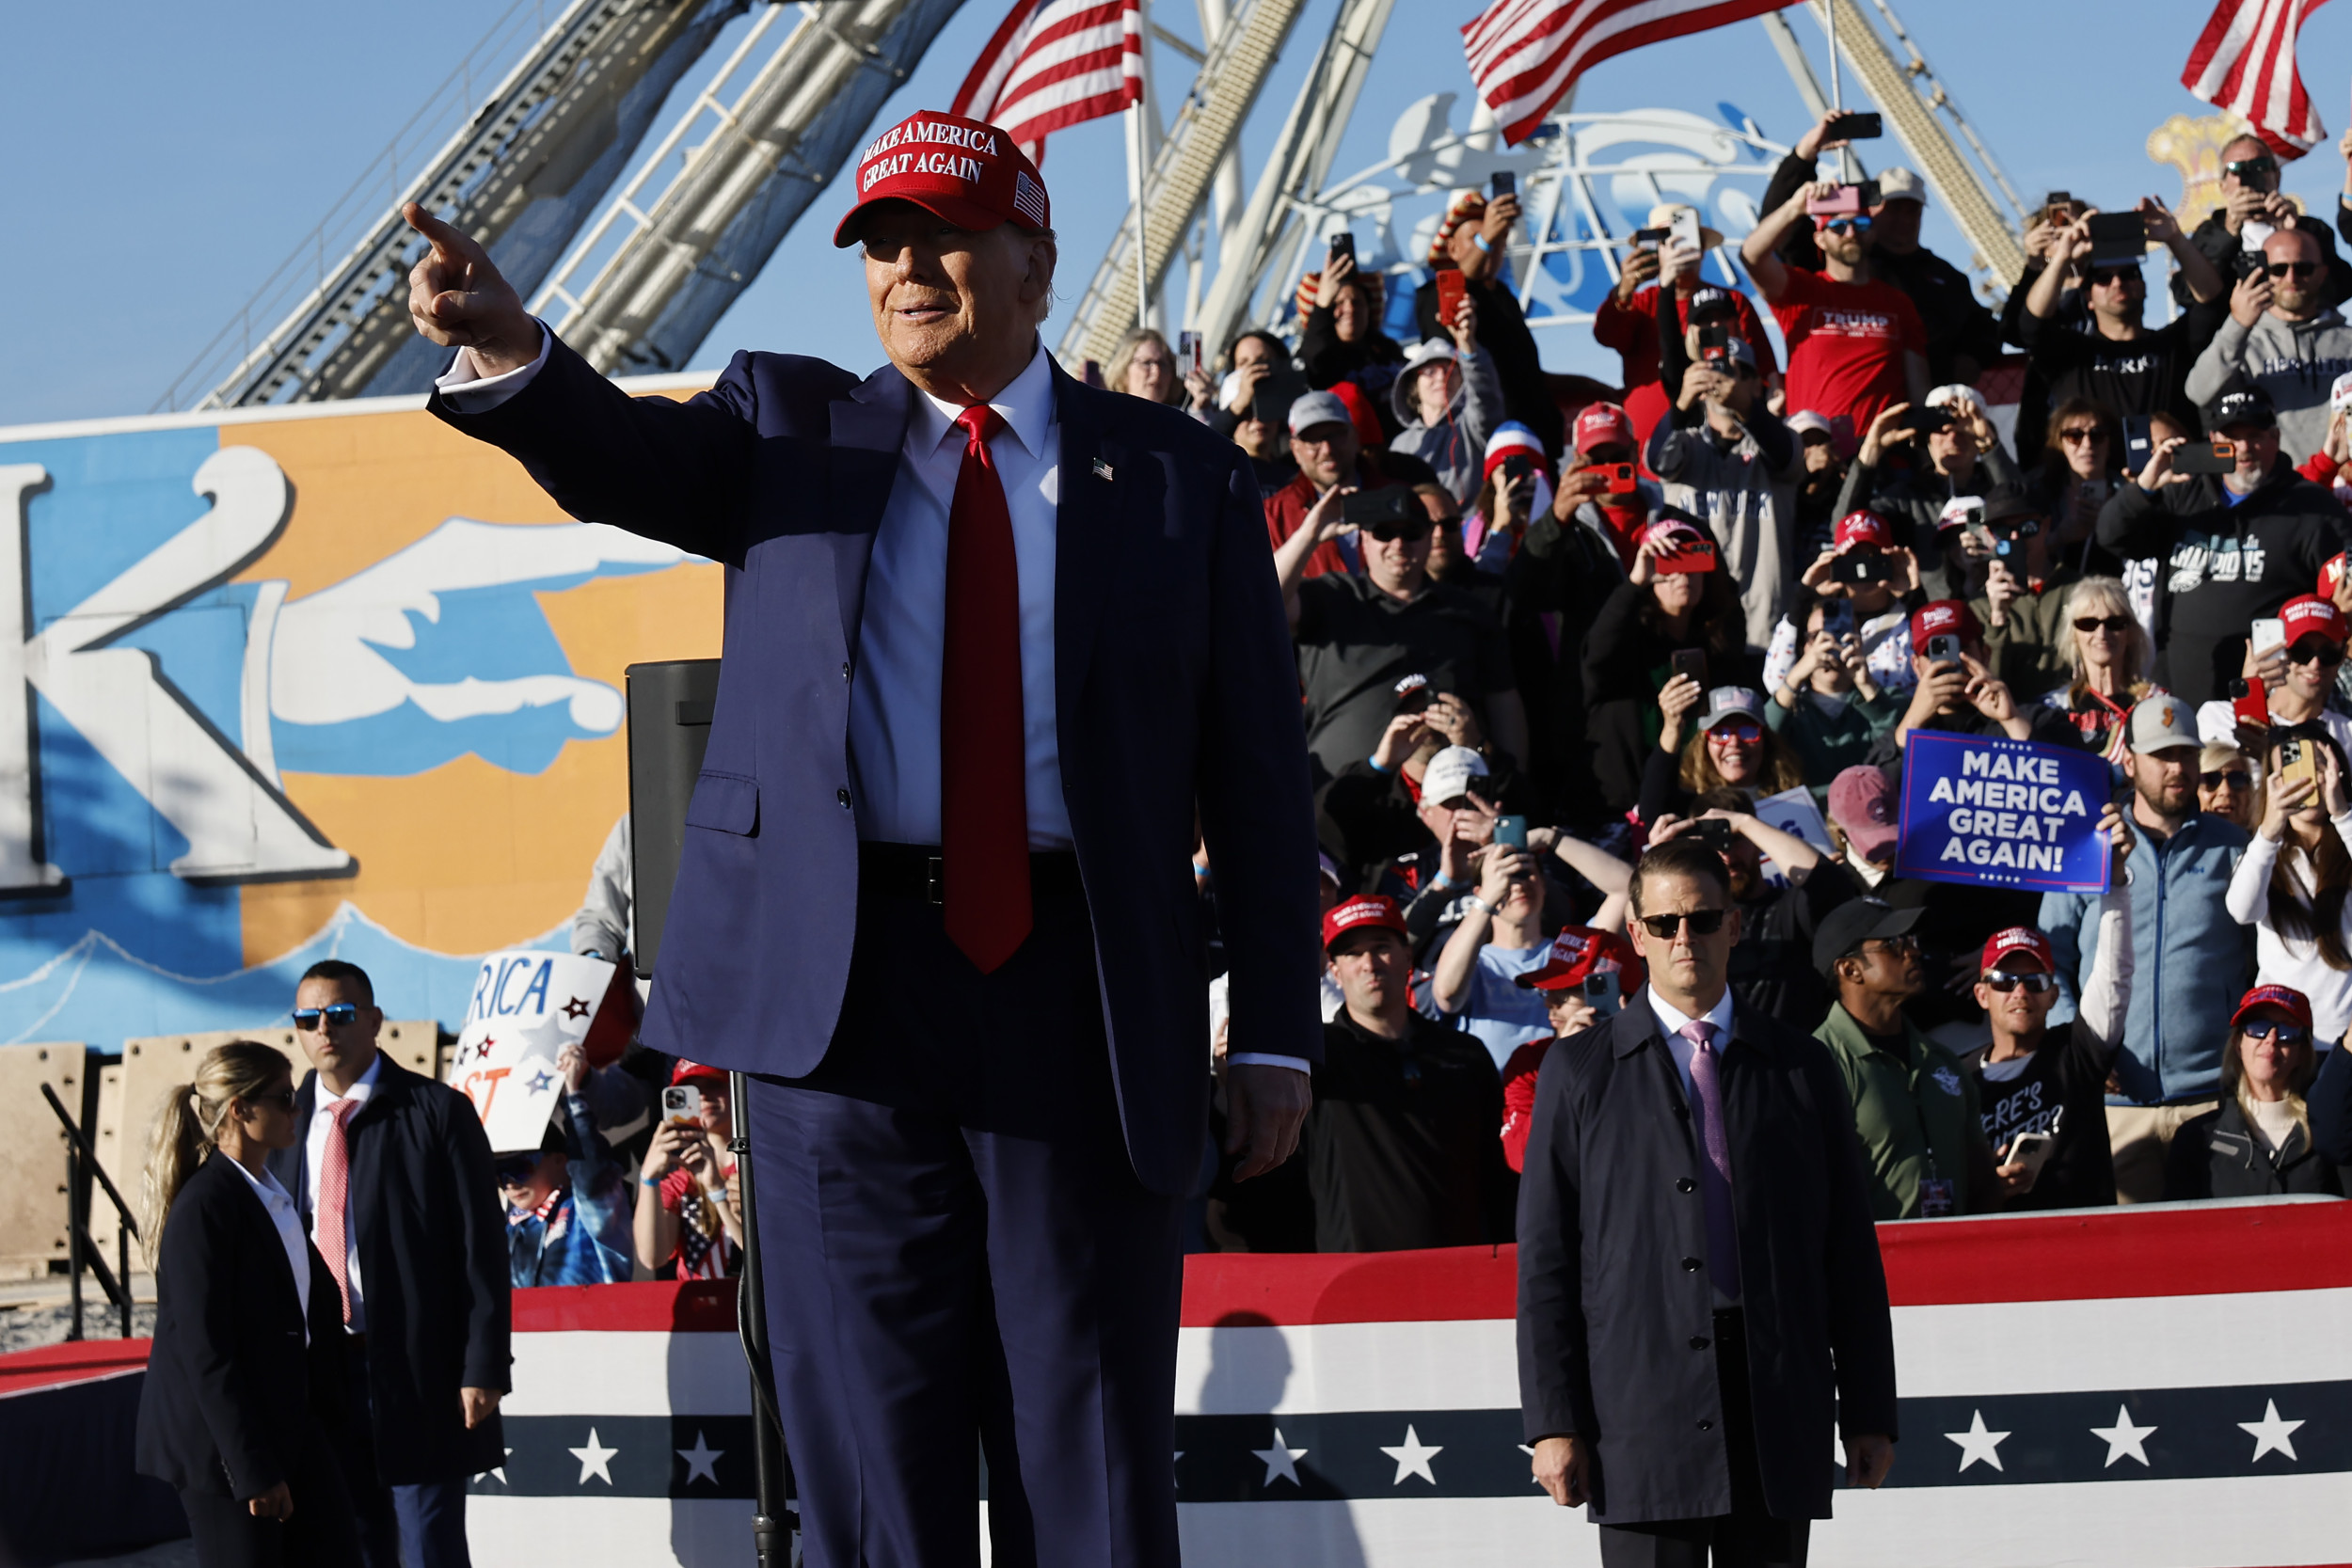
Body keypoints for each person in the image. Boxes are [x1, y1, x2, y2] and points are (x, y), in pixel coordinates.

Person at [405, 109, 1323, 1567]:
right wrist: (516, 352)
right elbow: (618, 461)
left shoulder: (1174, 476)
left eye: (942, 236)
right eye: (881, 243)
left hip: (1078, 994)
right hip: (838, 1008)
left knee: (1083, 1452)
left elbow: (1264, 782)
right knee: (865, 1470)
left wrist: (1275, 1029)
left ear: (1035, 257)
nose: (906, 267)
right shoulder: (788, 428)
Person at [1518, 837, 1898, 1560]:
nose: (1683, 937)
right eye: (1664, 923)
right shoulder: (1579, 1071)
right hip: (1639, 1407)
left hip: (1778, 1397)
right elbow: (1546, 1260)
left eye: (1700, 917)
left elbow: (1848, 1246)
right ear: (1637, 934)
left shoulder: (1802, 1063)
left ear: (1735, 923)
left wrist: (1871, 1410)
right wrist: (1552, 1422)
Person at [263, 960, 506, 1568]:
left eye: (340, 1014)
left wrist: (482, 1364)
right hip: (323, 1371)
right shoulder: (281, 1124)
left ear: (373, 1020)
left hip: (418, 1364)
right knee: (352, 1540)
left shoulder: (436, 1110)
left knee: (428, 1542)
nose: (325, 1028)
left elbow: (481, 1247)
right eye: (308, 1016)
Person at [136, 1041, 360, 1568]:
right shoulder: (205, 1205)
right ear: (240, 1108)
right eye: (284, 1098)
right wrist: (251, 1468)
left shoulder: (269, 1193)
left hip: (287, 1422)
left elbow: (306, 1316)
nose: (296, 1110)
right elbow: (205, 1352)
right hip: (224, 1445)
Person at [2040, 696, 2249, 1203]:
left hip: (2210, 1102)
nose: (2176, 768)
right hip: (2114, 1107)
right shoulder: (2088, 845)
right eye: (2161, 755)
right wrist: (2078, 1047)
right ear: (2129, 761)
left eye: (2185, 753)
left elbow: (2264, 961)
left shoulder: (2233, 848)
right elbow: (2051, 957)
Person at [2097, 384, 2352, 706]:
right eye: (2232, 436)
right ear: (2214, 440)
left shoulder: (2311, 506)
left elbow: (2340, 585)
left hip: (2269, 696)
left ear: (2275, 438)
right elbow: (2111, 535)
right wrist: (2145, 485)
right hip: (2180, 693)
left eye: (2256, 435)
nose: (2244, 447)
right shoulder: (2181, 493)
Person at [1295, 895, 1517, 1249]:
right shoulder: (1313, 1059)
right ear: (1333, 971)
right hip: (1350, 1280)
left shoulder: (1465, 1054)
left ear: (1408, 957)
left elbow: (1498, 1174)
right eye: (1352, 953)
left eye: (1381, 947)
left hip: (1461, 1273)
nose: (1369, 964)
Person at [1279, 476, 1528, 783]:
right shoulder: (1331, 596)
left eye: (1411, 533)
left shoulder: (1469, 611)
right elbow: (1261, 602)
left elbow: (1504, 704)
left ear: (1428, 539)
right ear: (1364, 540)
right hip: (1339, 803)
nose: (1398, 544)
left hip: (1446, 802)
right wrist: (1311, 532)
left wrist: (1514, 783)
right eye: (1384, 533)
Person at [1970, 816, 2137, 1213]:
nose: (2021, 992)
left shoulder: (2076, 1054)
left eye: (2036, 982)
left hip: (2084, 1243)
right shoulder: (1958, 1079)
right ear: (1981, 994)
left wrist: (2115, 885)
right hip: (1999, 1246)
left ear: (2053, 995)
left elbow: (2114, 978)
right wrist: (1986, 1185)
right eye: (2005, 980)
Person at [1811, 898, 2004, 1217]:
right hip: (1869, 1262)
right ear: (1850, 969)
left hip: (1952, 1258)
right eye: (1892, 943)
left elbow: (1985, 1186)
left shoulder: (1943, 1062)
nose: (1912, 951)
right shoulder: (1817, 1065)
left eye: (1910, 940)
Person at [1581, 521, 1756, 816]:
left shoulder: (1720, 645)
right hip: (1625, 807)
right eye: (1669, 562)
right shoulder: (1625, 643)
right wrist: (1635, 582)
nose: (1682, 573)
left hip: (1701, 799)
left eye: (1692, 559)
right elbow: (1596, 656)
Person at [1740, 176, 1930, 436]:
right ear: (1819, 239)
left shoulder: (1897, 303)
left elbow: (1918, 387)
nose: (1850, 233)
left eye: (1860, 224)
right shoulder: (1801, 290)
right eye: (1838, 227)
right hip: (1816, 452)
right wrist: (1795, 207)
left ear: (1872, 232)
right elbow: (1751, 256)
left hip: (1884, 457)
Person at [2018, 200, 2226, 436]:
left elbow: (2212, 302)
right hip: (2097, 471)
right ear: (2088, 296)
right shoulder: (2071, 354)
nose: (2117, 283)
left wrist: (2175, 238)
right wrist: (2063, 257)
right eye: (2104, 279)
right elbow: (2032, 323)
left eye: (2129, 275)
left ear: (2144, 285)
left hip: (2172, 469)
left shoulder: (2175, 343)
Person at [1647, 332, 1800, 651]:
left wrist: (1746, 406)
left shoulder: (1780, 442)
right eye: (1714, 370)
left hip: (1766, 634)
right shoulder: (1684, 443)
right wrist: (1682, 402)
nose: (1725, 378)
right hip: (1695, 631)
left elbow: (1785, 454)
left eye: (1739, 371)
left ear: (1758, 385)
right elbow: (1656, 461)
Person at [1656, 789, 1854, 1032]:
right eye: (1715, 844)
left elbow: (1831, 884)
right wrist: (1661, 858)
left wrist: (1745, 823)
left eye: (1736, 839)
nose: (1727, 856)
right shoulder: (1692, 925)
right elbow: (1642, 920)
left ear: (1757, 841)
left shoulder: (1791, 908)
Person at [1592, 215, 1779, 445]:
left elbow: (1764, 371)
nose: (1679, 247)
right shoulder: (1638, 304)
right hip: (1650, 449)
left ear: (1702, 250)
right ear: (1654, 250)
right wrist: (1623, 291)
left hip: (1728, 446)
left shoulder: (1731, 302)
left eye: (1689, 239)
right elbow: (1606, 335)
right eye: (1668, 240)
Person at [1411, 188, 1565, 455]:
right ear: (1452, 248)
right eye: (1477, 237)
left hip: (1536, 444)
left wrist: (1587, 386)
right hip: (1482, 451)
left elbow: (1524, 373)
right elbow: (1460, 287)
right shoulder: (1433, 296)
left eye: (1499, 238)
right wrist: (1487, 238)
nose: (1491, 244)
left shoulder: (1504, 298)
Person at [2229, 727, 2352, 1047]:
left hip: (2347, 1041)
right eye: (2294, 770)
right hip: (2282, 1042)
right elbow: (2242, 911)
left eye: (2318, 767)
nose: (2307, 781)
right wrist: (2270, 831)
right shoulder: (2263, 854)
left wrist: (2342, 813)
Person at [2186, 228, 2352, 463]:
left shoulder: (2348, 341)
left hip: (2343, 490)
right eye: (2279, 269)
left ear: (2322, 273)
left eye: (2303, 268)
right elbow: (2198, 392)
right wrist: (2238, 323)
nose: (2291, 278)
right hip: (2276, 490)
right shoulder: (2243, 342)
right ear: (2263, 274)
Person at [2164, 983, 2345, 1198]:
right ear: (2238, 1044)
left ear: (2303, 1052)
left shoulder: (2330, 1134)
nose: (2271, 1039)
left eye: (2288, 1030)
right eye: (2257, 1028)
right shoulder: (2197, 1137)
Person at [1834, 394, 2019, 602]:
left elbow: (2029, 513)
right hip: (1930, 616)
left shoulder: (2000, 486)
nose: (1952, 437)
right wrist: (1871, 451)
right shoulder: (1907, 497)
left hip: (2004, 604)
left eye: (1963, 428)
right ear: (1925, 437)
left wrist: (1989, 445)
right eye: (1940, 428)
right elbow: (1844, 532)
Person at [1497, 927, 1645, 1172]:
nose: (1548, 1002)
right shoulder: (1531, 1061)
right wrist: (1565, 1067)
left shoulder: (1656, 1058)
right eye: (1547, 990)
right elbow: (1522, 1157)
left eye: (1566, 993)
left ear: (1617, 1000)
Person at [499, 1042, 633, 1289]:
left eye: (520, 1167)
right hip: (527, 1328)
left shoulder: (586, 1208)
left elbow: (591, 1175)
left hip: (596, 1324)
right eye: (499, 1174)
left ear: (560, 1159)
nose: (509, 1181)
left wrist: (574, 1093)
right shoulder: (510, 1229)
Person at [1879, 599, 2079, 763]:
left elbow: (2070, 786)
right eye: (1935, 654)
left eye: (1961, 649)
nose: (1950, 661)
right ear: (1916, 666)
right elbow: (1871, 796)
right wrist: (1912, 721)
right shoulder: (1899, 731)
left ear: (1985, 654)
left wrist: (2012, 721)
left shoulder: (2034, 718)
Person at [2174, 134, 2352, 314]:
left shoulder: (2310, 230)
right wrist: (2228, 234)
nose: (2250, 176)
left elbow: (2340, 289)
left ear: (2277, 176)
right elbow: (2186, 296)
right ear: (2223, 186)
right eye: (2238, 169)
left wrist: (2294, 235)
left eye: (2261, 166)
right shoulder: (2209, 234)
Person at [1857, 167, 2004, 387]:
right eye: (1895, 209)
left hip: (1933, 398)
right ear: (1871, 209)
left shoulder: (1948, 277)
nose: (1904, 219)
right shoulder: (1851, 266)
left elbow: (1985, 328)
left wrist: (1973, 358)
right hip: (1868, 391)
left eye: (1912, 210)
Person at [1428, 840, 1559, 1069]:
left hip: (1560, 1098)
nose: (1517, 886)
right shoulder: (1475, 963)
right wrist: (1487, 900)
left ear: (1543, 883)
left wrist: (1551, 837)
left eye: (1526, 873)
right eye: (1507, 879)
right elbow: (1446, 993)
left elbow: (1620, 891)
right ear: (1481, 891)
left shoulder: (1570, 953)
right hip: (1493, 1099)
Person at [1766, 594, 1903, 791]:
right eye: (1817, 637)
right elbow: (1764, 738)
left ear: (1860, 642)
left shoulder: (1888, 698)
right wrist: (1794, 677)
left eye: (1840, 635)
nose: (1829, 645)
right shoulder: (1791, 707)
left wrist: (1867, 687)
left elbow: (1898, 744)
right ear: (1805, 646)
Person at [633, 1059, 746, 1279]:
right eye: (691, 1092)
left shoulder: (762, 1168)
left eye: (713, 1084)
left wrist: (717, 1193)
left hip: (758, 1308)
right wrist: (648, 1177)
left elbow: (770, 1255)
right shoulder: (679, 1182)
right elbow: (652, 1257)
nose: (703, 1096)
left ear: (735, 1088)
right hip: (701, 1309)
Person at [1387, 294, 1501, 505]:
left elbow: (1486, 399)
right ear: (1414, 386)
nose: (1441, 377)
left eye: (1450, 370)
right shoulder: (1399, 445)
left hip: (1469, 534)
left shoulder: (1472, 427)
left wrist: (1468, 346)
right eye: (1429, 371)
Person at [1265, 388, 1390, 578]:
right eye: (1313, 440)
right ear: (1295, 449)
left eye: (1336, 435)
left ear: (1355, 437)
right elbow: (1266, 590)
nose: (1327, 449)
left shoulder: (1395, 496)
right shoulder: (1274, 516)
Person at [1643, 684, 1806, 826]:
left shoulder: (1795, 802)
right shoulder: (1691, 807)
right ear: (1703, 745)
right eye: (1720, 733)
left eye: (1748, 731)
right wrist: (1672, 728)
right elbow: (1653, 810)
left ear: (1766, 741)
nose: (1734, 743)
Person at [2041, 576, 2154, 764]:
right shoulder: (2054, 707)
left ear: (2131, 632)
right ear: (2074, 635)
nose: (2101, 634)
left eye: (2115, 623)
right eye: (2088, 624)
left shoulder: (2153, 704)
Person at [1298, 243, 1407, 424]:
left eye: (1357, 302)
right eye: (1338, 303)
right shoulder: (1317, 364)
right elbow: (1316, 360)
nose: (1349, 308)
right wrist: (1323, 303)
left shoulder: (1388, 352)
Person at [2029, 400, 2127, 577]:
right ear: (2059, 444)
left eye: (2097, 434)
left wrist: (2113, 524)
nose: (2087, 444)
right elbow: (2023, 557)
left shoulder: (2129, 492)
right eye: (2075, 436)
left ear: (2110, 443)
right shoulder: (2041, 494)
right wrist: (2059, 537)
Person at [1104, 326, 1185, 407]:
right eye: (1146, 363)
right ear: (1123, 369)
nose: (1157, 372)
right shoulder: (1105, 416)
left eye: (1163, 364)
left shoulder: (1185, 418)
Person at [2200, 740, 2262, 831]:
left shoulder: (2273, 841)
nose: (2226, 791)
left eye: (2237, 779)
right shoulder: (2174, 842)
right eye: (2211, 780)